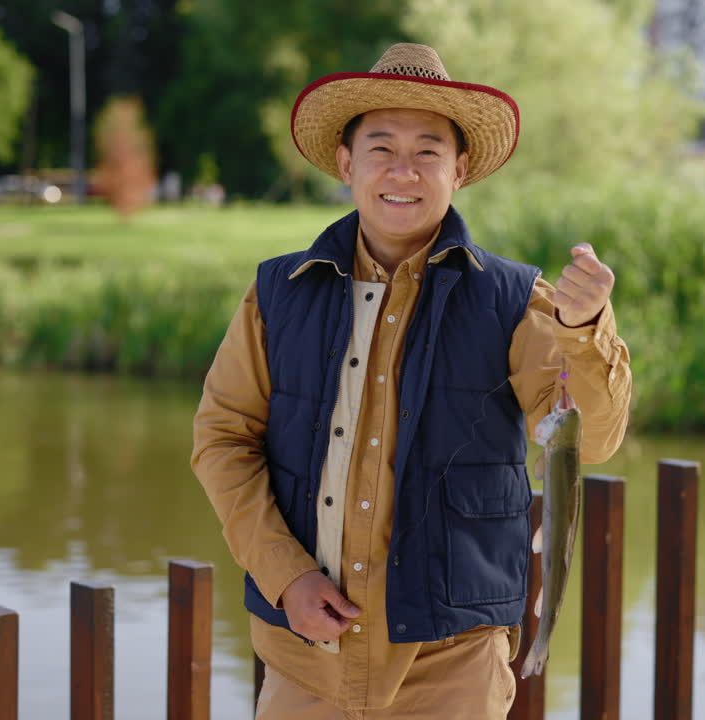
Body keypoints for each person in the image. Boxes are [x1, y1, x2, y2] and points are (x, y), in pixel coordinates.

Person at [191, 43, 632, 719]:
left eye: (428, 151)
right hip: (304, 660)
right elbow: (222, 441)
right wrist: (288, 576)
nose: (404, 171)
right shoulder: (277, 293)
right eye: (381, 149)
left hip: (453, 669)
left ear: (460, 169)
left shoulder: (516, 298)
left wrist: (587, 326)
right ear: (346, 164)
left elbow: (591, 439)